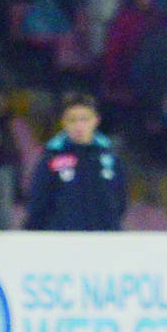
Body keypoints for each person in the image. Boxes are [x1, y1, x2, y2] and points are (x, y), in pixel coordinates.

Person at [24, 91, 126, 231]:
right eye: (72, 120)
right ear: (63, 122)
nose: (79, 125)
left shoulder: (111, 159)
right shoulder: (51, 159)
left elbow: (120, 202)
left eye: (84, 119)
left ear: (96, 120)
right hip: (62, 238)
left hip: (103, 238)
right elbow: (37, 204)